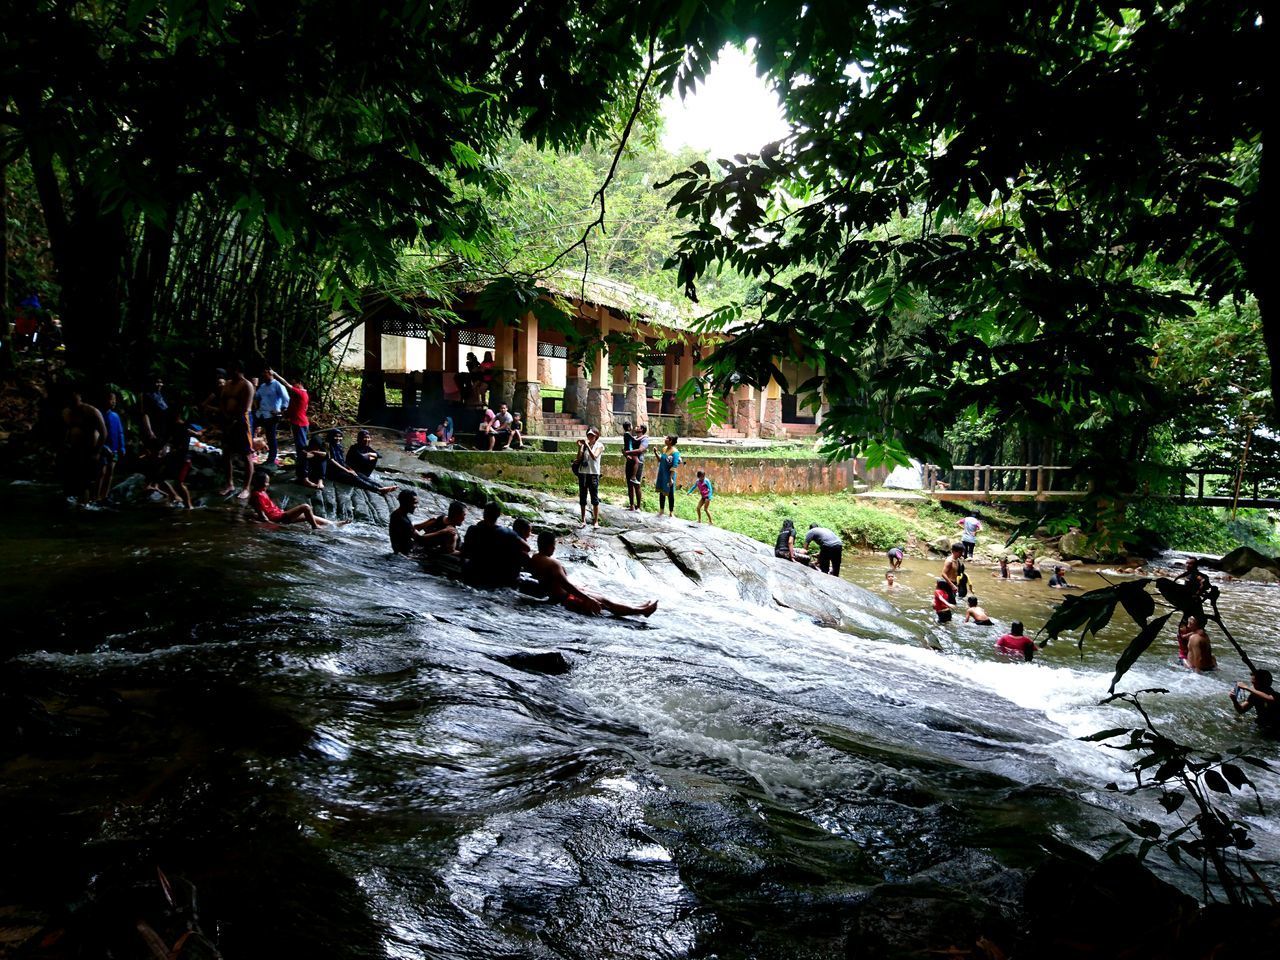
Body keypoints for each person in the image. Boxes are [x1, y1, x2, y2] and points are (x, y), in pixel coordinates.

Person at [529, 532, 658, 617]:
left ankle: (638, 607)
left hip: (557, 596)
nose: (555, 549)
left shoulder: (535, 558)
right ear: (550, 546)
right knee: (606, 603)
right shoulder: (552, 563)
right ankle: (642, 611)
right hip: (567, 599)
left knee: (601, 597)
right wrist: (587, 598)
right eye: (554, 545)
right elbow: (567, 585)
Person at [462, 500, 530, 586]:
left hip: (474, 572)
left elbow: (465, 551)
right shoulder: (508, 533)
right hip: (497, 578)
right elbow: (527, 548)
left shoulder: (472, 529)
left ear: (484, 514)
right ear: (499, 514)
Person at [217, 361, 255, 499]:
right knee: (226, 453)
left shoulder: (247, 385)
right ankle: (229, 483)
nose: (231, 373)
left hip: (243, 422)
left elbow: (245, 407)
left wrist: (234, 420)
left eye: (233, 370)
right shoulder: (227, 384)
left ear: (239, 370)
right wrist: (225, 417)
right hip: (227, 419)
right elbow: (222, 401)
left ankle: (246, 487)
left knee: (246, 455)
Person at [61, 388, 108, 503]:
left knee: (86, 482)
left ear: (79, 396)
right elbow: (67, 430)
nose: (72, 399)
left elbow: (104, 432)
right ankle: (75, 502)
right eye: (69, 397)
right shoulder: (66, 412)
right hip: (74, 450)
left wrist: (97, 452)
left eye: (74, 396)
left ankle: (88, 503)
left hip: (90, 450)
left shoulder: (91, 411)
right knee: (73, 481)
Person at [248, 472, 339, 528]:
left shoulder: (261, 492)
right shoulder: (257, 495)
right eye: (266, 482)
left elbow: (268, 508)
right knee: (306, 507)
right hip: (279, 518)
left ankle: (333, 524)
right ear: (259, 483)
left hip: (280, 514)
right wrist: (271, 524)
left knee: (306, 516)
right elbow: (261, 513)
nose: (268, 484)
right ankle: (315, 527)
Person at [389, 491, 465, 555]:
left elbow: (420, 532)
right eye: (414, 503)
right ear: (406, 503)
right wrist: (442, 532)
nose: (416, 506)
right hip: (407, 552)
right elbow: (419, 538)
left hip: (409, 546)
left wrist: (426, 524)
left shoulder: (398, 514)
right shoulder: (403, 520)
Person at [324, 429, 397, 494]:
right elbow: (331, 461)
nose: (338, 438)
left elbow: (342, 461)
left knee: (360, 475)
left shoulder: (338, 446)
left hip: (343, 469)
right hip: (334, 472)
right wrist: (347, 470)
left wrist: (350, 469)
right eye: (336, 436)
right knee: (355, 478)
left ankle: (381, 486)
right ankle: (378, 489)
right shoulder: (327, 446)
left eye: (340, 437)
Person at [271, 370, 310, 484]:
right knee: (299, 450)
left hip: (300, 423)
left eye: (294, 384)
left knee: (302, 450)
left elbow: (286, 384)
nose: (292, 386)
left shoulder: (300, 393)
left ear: (299, 383)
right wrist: (279, 413)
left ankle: (304, 476)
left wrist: (275, 374)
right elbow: (294, 410)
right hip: (298, 423)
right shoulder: (299, 395)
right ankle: (300, 475)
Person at [254, 366, 290, 467]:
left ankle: (271, 459)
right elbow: (256, 396)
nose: (263, 375)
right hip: (261, 413)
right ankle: (251, 452)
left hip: (272, 415)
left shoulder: (277, 385)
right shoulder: (263, 386)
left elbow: (286, 398)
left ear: (270, 373)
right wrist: (254, 386)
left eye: (265, 373)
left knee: (271, 437)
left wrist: (280, 410)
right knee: (250, 430)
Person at [96, 390, 127, 502]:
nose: (113, 402)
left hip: (114, 449)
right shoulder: (99, 414)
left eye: (115, 400)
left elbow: (120, 432)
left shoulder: (116, 416)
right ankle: (96, 495)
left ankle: (105, 495)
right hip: (103, 449)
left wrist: (122, 446)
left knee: (110, 472)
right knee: (101, 473)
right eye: (111, 399)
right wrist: (102, 447)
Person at [575, 427, 605, 528]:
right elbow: (579, 458)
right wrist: (580, 447)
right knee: (583, 496)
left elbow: (594, 456)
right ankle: (583, 520)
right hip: (583, 473)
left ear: (596, 436)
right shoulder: (585, 445)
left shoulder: (599, 445)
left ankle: (595, 521)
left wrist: (587, 445)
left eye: (592, 435)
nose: (590, 437)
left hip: (593, 474)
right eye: (588, 435)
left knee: (594, 497)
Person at [654, 435, 681, 517]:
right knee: (662, 492)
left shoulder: (675, 452)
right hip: (662, 473)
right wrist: (655, 452)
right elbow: (660, 460)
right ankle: (661, 510)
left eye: (667, 438)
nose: (665, 439)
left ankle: (671, 512)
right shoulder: (664, 449)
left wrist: (670, 478)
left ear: (671, 441)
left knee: (670, 493)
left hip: (669, 475)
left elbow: (674, 465)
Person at [621, 421, 639, 508]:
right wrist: (642, 437)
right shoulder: (627, 433)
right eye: (631, 425)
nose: (632, 427)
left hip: (628, 451)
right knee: (637, 462)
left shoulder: (626, 434)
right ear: (628, 427)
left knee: (630, 485)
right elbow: (634, 440)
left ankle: (632, 505)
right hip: (630, 451)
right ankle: (634, 476)